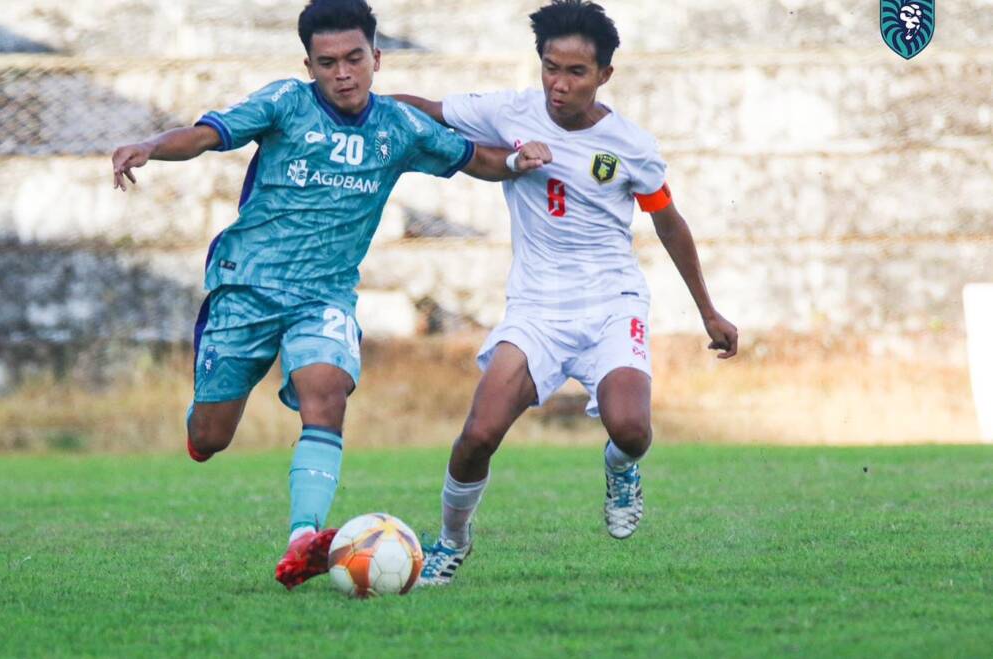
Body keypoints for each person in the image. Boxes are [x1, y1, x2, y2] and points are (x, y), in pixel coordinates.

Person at [110, 0, 550, 590]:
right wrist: (149, 146)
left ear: (376, 57)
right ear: (309, 65)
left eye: (353, 59)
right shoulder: (285, 104)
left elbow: (477, 159)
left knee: (327, 390)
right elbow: (207, 135)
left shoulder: (399, 127)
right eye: (327, 63)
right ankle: (206, 422)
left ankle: (304, 540)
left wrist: (522, 158)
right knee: (209, 438)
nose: (342, 73)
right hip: (245, 288)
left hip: (325, 295)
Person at [393, 0, 739, 585]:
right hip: (536, 311)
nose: (559, 83)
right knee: (477, 436)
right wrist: (355, 103)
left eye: (576, 72)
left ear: (605, 74)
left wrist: (707, 310)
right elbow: (425, 110)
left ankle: (620, 470)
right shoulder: (509, 112)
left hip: (612, 304)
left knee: (632, 431)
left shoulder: (631, 145)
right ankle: (451, 543)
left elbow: (668, 222)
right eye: (551, 67)